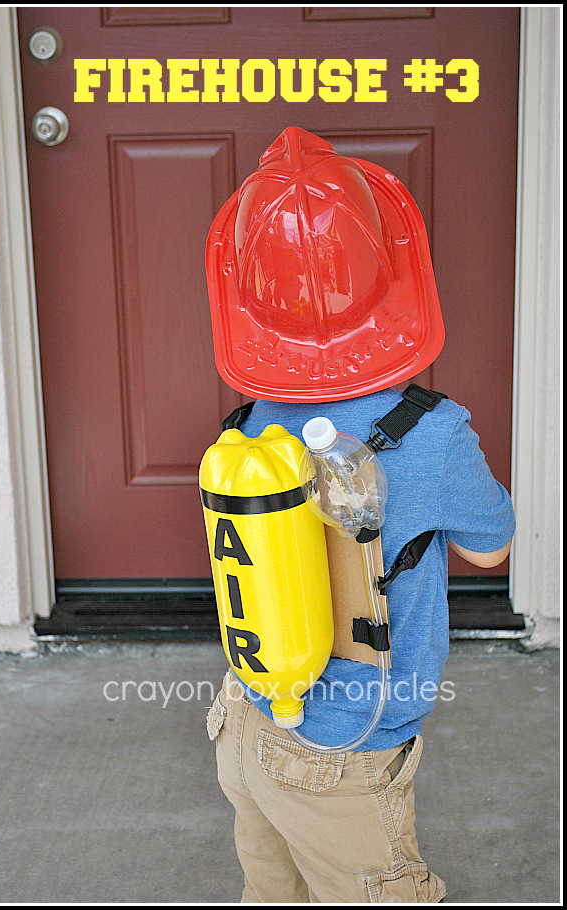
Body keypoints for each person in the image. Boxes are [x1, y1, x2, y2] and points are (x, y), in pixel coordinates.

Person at [203, 127, 515, 903]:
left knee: (273, 894)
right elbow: (490, 549)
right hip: (346, 747)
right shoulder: (434, 429)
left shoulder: (244, 428)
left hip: (245, 716)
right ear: (395, 274)